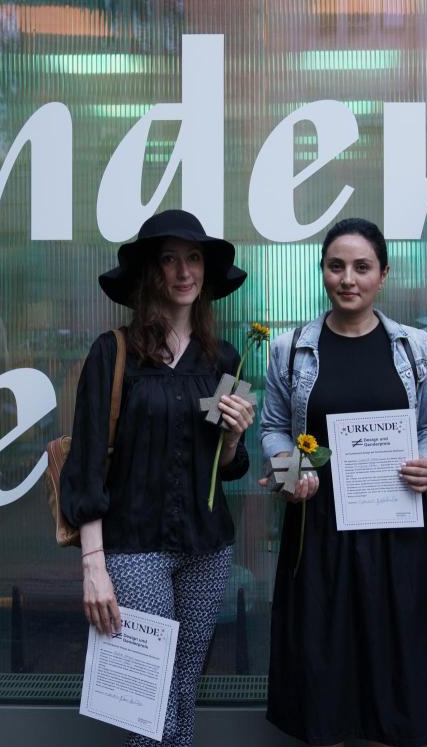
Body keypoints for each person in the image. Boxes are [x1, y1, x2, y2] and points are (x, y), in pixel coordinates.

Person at [60, 209, 256, 747]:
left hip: (207, 548)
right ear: (151, 273)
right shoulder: (113, 353)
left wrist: (236, 437)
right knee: (146, 703)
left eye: (192, 258)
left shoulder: (225, 359)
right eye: (169, 259)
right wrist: (93, 568)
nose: (183, 271)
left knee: (183, 693)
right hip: (133, 549)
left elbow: (227, 466)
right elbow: (86, 466)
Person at [260, 217, 427, 747]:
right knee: (327, 683)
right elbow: (274, 429)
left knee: (392, 681)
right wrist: (289, 472)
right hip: (317, 534)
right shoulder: (291, 347)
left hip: (396, 533)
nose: (348, 278)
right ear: (322, 272)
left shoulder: (414, 347)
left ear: (383, 275)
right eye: (336, 266)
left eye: (362, 267)